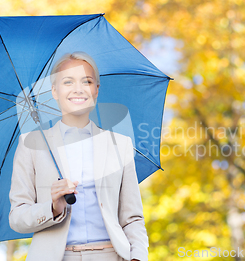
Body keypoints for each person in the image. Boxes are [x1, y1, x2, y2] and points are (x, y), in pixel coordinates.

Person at [9, 52, 148, 261]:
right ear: (54, 91)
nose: (78, 88)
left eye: (87, 81)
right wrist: (52, 207)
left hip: (111, 255)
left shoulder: (120, 144)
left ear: (96, 90)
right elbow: (17, 217)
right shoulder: (32, 144)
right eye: (68, 82)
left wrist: (137, 256)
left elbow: (132, 218)